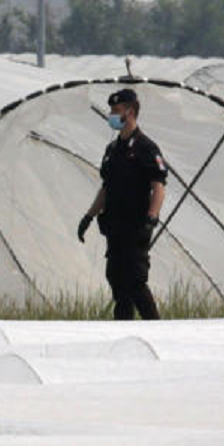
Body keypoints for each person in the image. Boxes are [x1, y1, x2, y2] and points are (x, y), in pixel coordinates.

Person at [77, 88, 167, 320]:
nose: (112, 115)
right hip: (114, 226)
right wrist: (88, 216)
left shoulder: (146, 148)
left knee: (135, 281)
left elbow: (158, 185)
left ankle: (157, 329)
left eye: (116, 111)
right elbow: (107, 188)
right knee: (117, 281)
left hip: (136, 225)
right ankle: (122, 331)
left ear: (130, 111)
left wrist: (151, 218)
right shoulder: (113, 150)